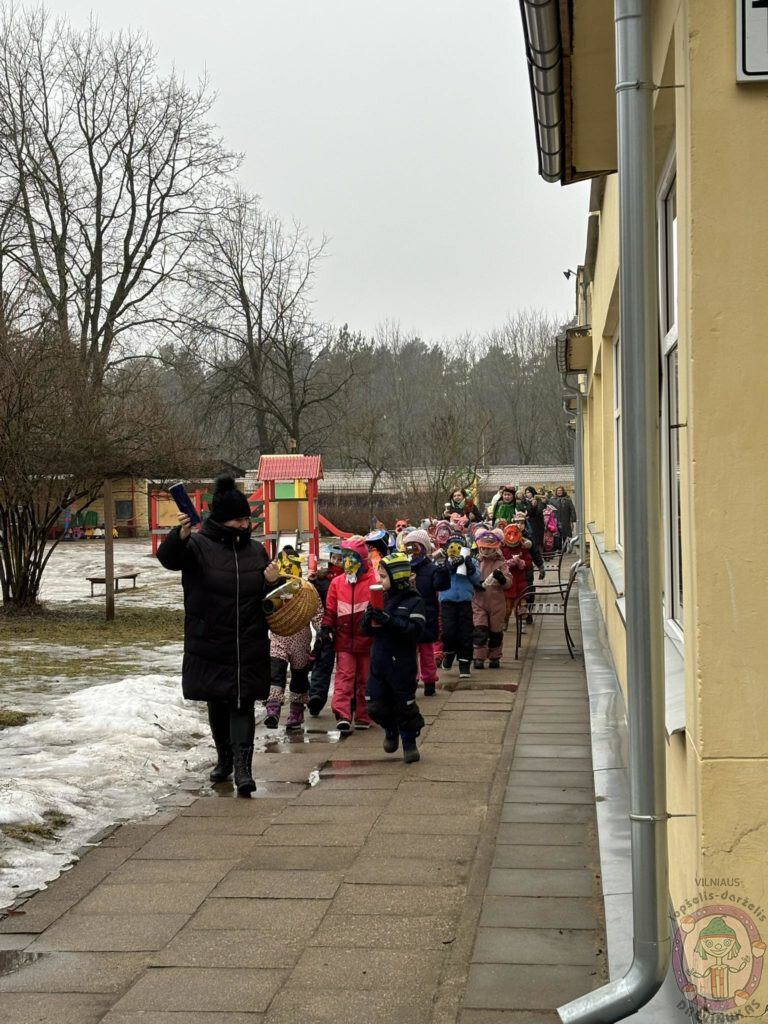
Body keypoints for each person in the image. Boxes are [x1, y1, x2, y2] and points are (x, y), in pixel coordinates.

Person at [157, 475, 280, 796]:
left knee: (242, 702)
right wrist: (179, 535)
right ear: (223, 519)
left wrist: (273, 582)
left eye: (246, 519)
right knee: (218, 699)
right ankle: (224, 758)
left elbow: (272, 598)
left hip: (248, 641)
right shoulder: (197, 545)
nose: (245, 525)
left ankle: (243, 770)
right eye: (239, 520)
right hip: (210, 640)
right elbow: (168, 560)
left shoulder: (257, 551)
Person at [361, 552, 426, 763]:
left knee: (404, 705)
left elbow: (415, 630)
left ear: (397, 577)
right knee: (375, 705)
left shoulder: (414, 601)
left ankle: (409, 742)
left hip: (402, 665)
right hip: (379, 662)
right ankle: (390, 728)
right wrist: (368, 619)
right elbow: (366, 631)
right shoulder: (379, 598)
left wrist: (389, 621)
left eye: (383, 576)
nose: (379, 580)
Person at [320, 536, 376, 732]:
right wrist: (326, 627)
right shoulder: (337, 583)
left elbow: (379, 606)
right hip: (344, 638)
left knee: (365, 678)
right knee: (344, 676)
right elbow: (331, 609)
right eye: (345, 557)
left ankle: (363, 715)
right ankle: (342, 714)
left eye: (353, 557)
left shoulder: (373, 580)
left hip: (366, 639)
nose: (348, 562)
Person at [403, 528, 450, 696]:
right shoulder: (405, 568)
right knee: (410, 652)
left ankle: (429, 680)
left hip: (427, 614)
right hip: (409, 614)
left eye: (415, 547)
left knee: (427, 651)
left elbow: (441, 585)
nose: (411, 552)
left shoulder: (431, 568)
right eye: (408, 548)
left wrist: (443, 568)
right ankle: (412, 680)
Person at [266, 597, 323, 731]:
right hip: (278, 637)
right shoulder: (275, 589)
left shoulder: (306, 591)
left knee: (299, 676)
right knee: (276, 672)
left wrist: (322, 631)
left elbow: (317, 610)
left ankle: (296, 710)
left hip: (300, 640)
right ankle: (273, 707)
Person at [438, 533, 482, 678]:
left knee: (465, 633)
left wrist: (469, 567)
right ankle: (449, 653)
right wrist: (449, 566)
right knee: (448, 632)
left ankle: (464, 663)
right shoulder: (444, 561)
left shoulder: (472, 561)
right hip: (447, 601)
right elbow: (438, 578)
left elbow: (478, 580)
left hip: (464, 602)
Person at [472, 528, 512, 669]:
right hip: (479, 601)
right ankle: (478, 657)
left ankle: (495, 656)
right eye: (483, 548)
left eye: (489, 548)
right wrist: (475, 584)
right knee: (480, 629)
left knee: (496, 631)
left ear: (495, 548)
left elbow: (508, 583)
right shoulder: (476, 562)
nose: (486, 551)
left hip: (496, 603)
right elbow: (470, 577)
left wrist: (502, 579)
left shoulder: (501, 564)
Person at [307, 563, 337, 717]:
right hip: (326, 627)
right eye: (334, 558)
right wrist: (311, 582)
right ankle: (316, 696)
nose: (337, 561)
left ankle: (350, 701)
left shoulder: (353, 578)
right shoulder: (323, 578)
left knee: (347, 668)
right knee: (322, 662)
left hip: (348, 628)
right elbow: (311, 596)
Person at [501, 524, 533, 630]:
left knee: (520, 606)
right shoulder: (503, 549)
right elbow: (500, 563)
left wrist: (521, 562)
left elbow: (529, 564)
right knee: (507, 607)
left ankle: (521, 624)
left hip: (520, 583)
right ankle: (505, 621)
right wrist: (509, 563)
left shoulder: (523, 548)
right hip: (508, 583)